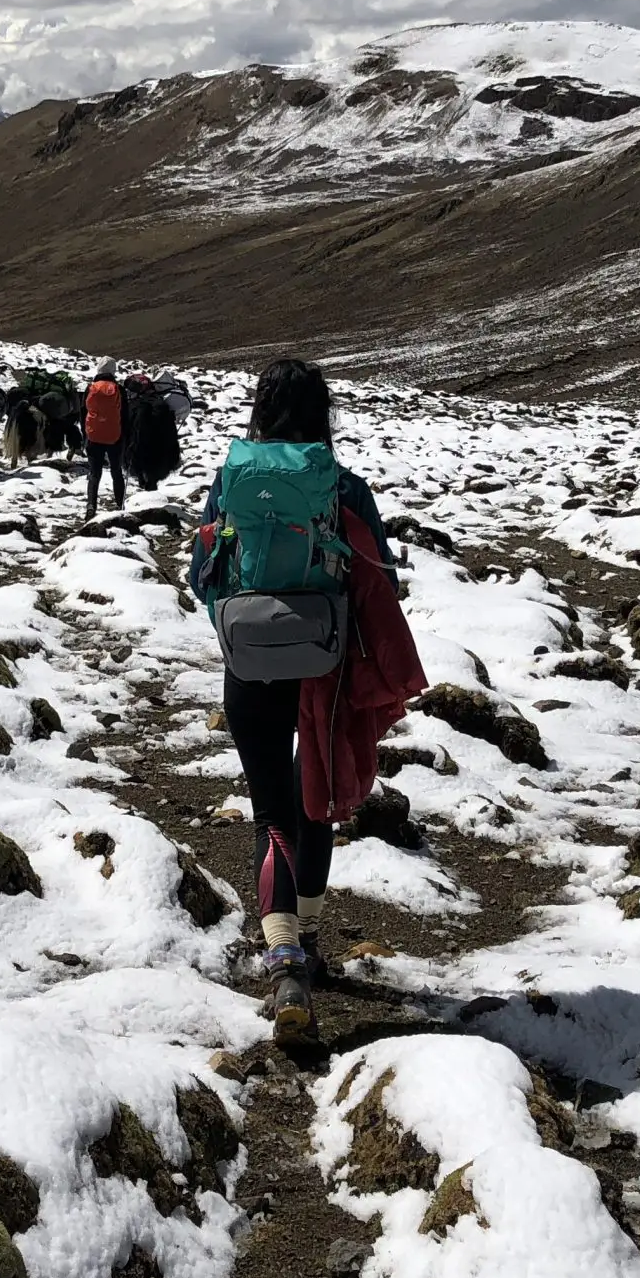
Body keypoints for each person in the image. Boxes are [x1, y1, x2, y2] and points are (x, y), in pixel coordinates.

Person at [188, 358, 424, 1043]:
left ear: (260, 409)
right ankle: (309, 939)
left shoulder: (232, 481)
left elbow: (203, 575)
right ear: (323, 413)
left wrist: (247, 626)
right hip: (324, 667)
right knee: (313, 798)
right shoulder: (343, 485)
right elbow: (377, 574)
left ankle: (283, 958)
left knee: (270, 811)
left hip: (251, 662)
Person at [82, 358, 127, 520]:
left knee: (94, 473)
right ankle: (120, 504)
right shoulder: (119, 389)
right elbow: (125, 415)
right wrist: (125, 436)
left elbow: (83, 412)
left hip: (93, 436)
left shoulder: (91, 388)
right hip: (115, 436)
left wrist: (85, 435)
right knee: (117, 471)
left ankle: (91, 506)